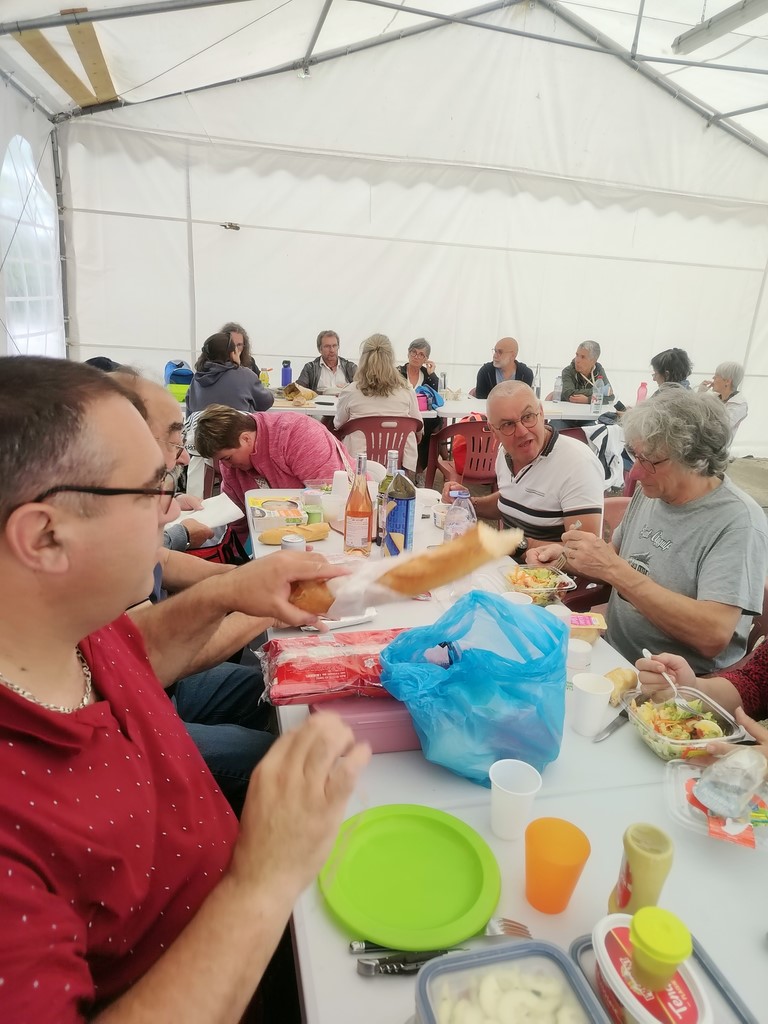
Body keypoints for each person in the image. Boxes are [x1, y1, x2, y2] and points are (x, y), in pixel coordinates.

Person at [0, 355, 370, 1021]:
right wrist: (262, 882)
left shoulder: (61, 625)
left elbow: (136, 653)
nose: (171, 506)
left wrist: (232, 590)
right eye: (153, 488)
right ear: (44, 536)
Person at [530, 388, 768, 674]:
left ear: (695, 459)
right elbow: (614, 561)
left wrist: (615, 569)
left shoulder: (737, 522)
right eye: (635, 456)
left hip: (674, 683)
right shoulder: (652, 492)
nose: (635, 473)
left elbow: (712, 635)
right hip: (611, 655)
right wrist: (566, 556)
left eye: (650, 461)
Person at [442, 381, 604, 554]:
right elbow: (511, 500)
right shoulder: (505, 452)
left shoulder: (578, 464)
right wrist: (466, 503)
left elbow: (585, 553)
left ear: (541, 413)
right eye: (507, 424)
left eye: (528, 417)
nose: (522, 431)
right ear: (493, 431)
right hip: (507, 565)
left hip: (549, 571)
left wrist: (519, 545)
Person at [195, 404, 352, 540]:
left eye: (227, 458)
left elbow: (329, 498)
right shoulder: (231, 465)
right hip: (287, 533)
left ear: (246, 439)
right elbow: (236, 519)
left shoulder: (297, 433)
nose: (226, 466)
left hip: (341, 524)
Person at [334, 333, 422, 472]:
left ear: (363, 359)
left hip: (359, 463)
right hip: (396, 462)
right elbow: (418, 428)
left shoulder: (351, 391)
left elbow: (338, 424)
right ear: (391, 359)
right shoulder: (407, 390)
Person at [186, 331, 274, 416]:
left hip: (202, 426)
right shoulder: (246, 375)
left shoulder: (196, 380)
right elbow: (266, 402)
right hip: (238, 426)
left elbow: (189, 415)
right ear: (232, 354)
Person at [398, 337, 442, 472]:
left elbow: (435, 396)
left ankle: (420, 469)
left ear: (426, 359)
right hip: (402, 414)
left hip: (423, 417)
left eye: (421, 354)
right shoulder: (397, 372)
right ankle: (402, 466)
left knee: (431, 425)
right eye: (414, 352)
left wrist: (432, 375)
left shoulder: (427, 375)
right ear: (408, 353)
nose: (416, 356)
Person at [697, 361, 748, 440]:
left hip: (716, 445)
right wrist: (700, 394)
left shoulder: (738, 405)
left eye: (716, 376)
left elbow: (720, 427)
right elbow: (696, 414)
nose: (713, 378)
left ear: (727, 381)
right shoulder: (714, 397)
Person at [560, 341, 614, 405]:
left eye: (583, 357)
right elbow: (569, 393)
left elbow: (610, 397)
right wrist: (600, 391)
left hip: (590, 410)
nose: (577, 360)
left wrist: (588, 400)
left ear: (593, 361)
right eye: (577, 355)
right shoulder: (568, 371)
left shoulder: (598, 370)